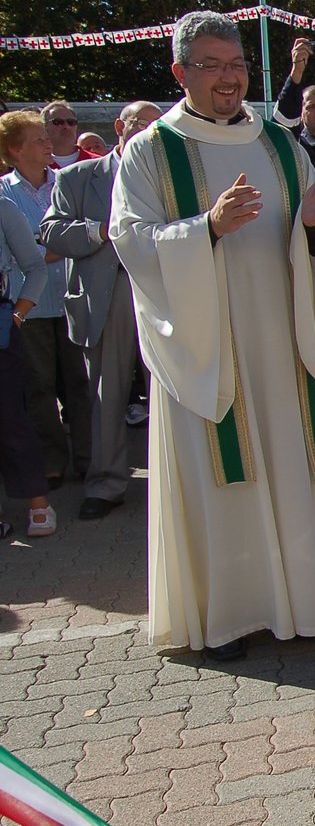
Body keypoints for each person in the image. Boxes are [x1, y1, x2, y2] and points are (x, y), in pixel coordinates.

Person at [109, 9, 315, 661]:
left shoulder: (278, 140)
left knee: (291, 454)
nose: (228, 78)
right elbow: (130, 241)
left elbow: (313, 228)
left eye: (238, 64)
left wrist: (311, 223)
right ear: (179, 72)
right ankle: (230, 615)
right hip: (209, 345)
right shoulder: (151, 150)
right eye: (212, 65)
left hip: (279, 339)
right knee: (228, 469)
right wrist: (204, 231)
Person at [39, 100, 162, 520]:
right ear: (119, 128)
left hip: (162, 297)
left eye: (155, 126)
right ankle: (106, 483)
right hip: (106, 298)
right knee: (107, 395)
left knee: (168, 392)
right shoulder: (79, 177)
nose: (148, 132)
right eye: (140, 124)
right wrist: (99, 230)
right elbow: (51, 232)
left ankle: (173, 483)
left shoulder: (167, 177)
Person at [0, 111, 92, 489]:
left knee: (80, 384)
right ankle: (51, 462)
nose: (48, 142)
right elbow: (22, 253)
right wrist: (58, 244)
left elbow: (80, 236)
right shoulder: (4, 193)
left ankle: (90, 460)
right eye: (38, 138)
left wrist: (45, 247)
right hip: (30, 309)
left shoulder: (65, 183)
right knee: (38, 388)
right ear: (15, 150)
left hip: (73, 299)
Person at [0, 151, 56, 538]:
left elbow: (34, 266)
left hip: (1, 327)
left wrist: (17, 314)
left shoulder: (2, 207)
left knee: (10, 420)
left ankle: (39, 501)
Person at [274, 38, 315, 173]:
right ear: (301, 112)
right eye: (311, 107)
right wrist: (296, 71)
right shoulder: (295, 146)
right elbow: (284, 115)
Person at [41, 101, 101, 169]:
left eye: (71, 122)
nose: (66, 126)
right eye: (58, 122)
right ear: (44, 127)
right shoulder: (34, 164)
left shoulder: (97, 164)